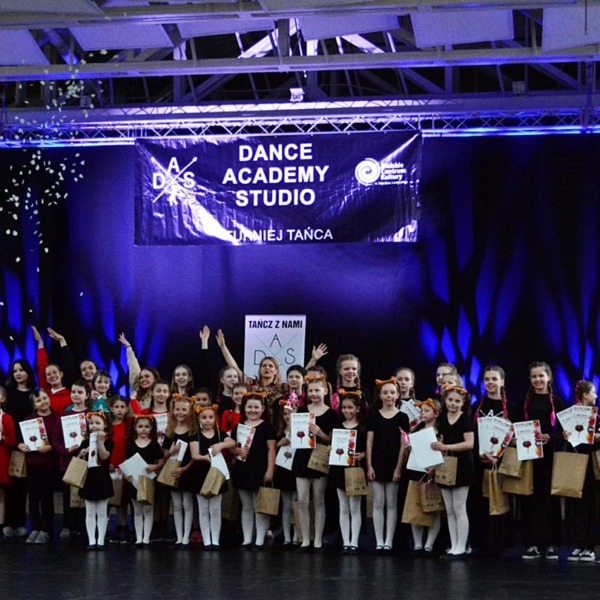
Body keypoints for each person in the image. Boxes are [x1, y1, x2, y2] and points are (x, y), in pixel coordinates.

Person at [519, 361, 565, 560]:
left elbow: (565, 431)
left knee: (549, 499)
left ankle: (551, 543)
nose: (537, 379)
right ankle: (533, 542)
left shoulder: (557, 401)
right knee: (531, 498)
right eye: (534, 376)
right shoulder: (526, 402)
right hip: (530, 455)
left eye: (541, 376)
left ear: (549, 377)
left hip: (550, 456)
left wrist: (550, 437)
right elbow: (518, 426)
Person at [470, 365, 517, 556]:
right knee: (480, 503)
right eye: (487, 379)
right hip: (480, 462)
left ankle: (500, 542)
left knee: (500, 502)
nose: (490, 382)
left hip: (502, 463)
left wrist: (501, 453)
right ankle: (481, 542)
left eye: (494, 379)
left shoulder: (511, 408)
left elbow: (516, 437)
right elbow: (471, 435)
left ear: (502, 381)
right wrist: (480, 454)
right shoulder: (476, 407)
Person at [292, 376, 337, 551]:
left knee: (319, 500)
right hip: (302, 457)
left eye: (317, 390)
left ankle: (317, 539)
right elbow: (295, 433)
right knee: (303, 500)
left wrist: (321, 434)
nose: (314, 394)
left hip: (319, 458)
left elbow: (332, 439)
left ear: (325, 391)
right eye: (310, 390)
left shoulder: (331, 414)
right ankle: (305, 539)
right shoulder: (302, 410)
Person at [227, 392, 276, 549]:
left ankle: (260, 539)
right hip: (243, 469)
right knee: (247, 506)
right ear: (244, 408)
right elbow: (232, 446)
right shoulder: (239, 426)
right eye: (249, 407)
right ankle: (247, 538)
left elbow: (271, 449)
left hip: (260, 469)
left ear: (262, 409)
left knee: (260, 506)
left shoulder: (267, 427)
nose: (252, 410)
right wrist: (237, 451)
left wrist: (270, 470)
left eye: (256, 407)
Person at [432, 385, 474, 560]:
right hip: (446, 464)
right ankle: (454, 544)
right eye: (450, 400)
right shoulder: (442, 418)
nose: (453, 404)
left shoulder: (465, 419)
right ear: (445, 400)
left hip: (462, 465)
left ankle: (462, 546)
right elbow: (440, 440)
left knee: (459, 507)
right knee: (449, 509)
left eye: (457, 401)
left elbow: (469, 443)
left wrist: (447, 447)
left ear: (463, 403)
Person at [366, 377, 408, 554]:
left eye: (392, 392)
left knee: (391, 504)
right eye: (385, 393)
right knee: (378, 503)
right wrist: (369, 466)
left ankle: (389, 541)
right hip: (377, 462)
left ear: (397, 395)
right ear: (380, 395)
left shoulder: (403, 417)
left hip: (393, 463)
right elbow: (369, 442)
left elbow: (403, 445)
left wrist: (398, 468)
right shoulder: (374, 415)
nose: (389, 396)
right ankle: (379, 541)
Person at [18, 388, 59, 544]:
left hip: (48, 465)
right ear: (34, 405)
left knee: (46, 498)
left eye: (44, 398)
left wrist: (50, 448)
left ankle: (46, 530)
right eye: (38, 400)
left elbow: (61, 441)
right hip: (32, 464)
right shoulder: (29, 420)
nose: (43, 402)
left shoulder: (56, 419)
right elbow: (21, 440)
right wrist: (20, 445)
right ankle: (35, 528)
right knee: (33, 498)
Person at [564, 380, 598, 562]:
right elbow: (564, 436)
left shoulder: (596, 416)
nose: (596, 396)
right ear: (585, 395)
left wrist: (594, 435)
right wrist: (565, 435)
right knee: (576, 505)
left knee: (590, 505)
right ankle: (579, 544)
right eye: (593, 392)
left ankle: (590, 547)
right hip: (575, 462)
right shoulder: (571, 415)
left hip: (591, 464)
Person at [4, 359, 36, 539]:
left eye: (21, 370)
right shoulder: (8, 393)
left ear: (28, 372)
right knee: (11, 486)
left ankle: (22, 523)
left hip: (30, 446)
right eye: (15, 371)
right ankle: (9, 523)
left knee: (24, 486)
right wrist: (15, 443)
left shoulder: (35, 393)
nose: (18, 373)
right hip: (11, 445)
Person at [331, 390, 367, 554]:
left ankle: (354, 542)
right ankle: (346, 541)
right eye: (344, 408)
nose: (346, 411)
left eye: (350, 407)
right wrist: (331, 451)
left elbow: (368, 448)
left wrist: (364, 455)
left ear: (358, 409)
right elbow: (335, 447)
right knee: (343, 507)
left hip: (355, 470)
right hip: (340, 469)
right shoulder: (338, 427)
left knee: (355, 507)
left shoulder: (363, 428)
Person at [190, 404, 229, 550]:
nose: (207, 420)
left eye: (211, 417)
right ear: (199, 419)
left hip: (217, 474)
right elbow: (195, 455)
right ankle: (207, 540)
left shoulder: (219, 434)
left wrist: (221, 445)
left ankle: (215, 539)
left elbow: (231, 442)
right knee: (203, 509)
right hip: (201, 474)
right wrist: (206, 458)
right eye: (204, 418)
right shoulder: (195, 436)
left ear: (215, 419)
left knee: (215, 508)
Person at [407, 399, 442, 556]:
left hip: (433, 474)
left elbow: (443, 454)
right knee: (416, 506)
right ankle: (417, 543)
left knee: (433, 508)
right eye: (421, 411)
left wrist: (434, 468)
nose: (422, 414)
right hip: (416, 471)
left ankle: (429, 544)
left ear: (436, 413)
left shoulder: (440, 433)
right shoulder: (415, 431)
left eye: (427, 411)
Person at [162, 396, 197, 547]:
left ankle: (186, 536)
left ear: (190, 411)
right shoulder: (170, 431)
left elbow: (195, 455)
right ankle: (179, 535)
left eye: (184, 409)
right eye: (177, 409)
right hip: (173, 470)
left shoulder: (193, 431)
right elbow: (164, 455)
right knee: (176, 505)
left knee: (187, 504)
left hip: (188, 471)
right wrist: (171, 451)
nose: (180, 412)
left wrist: (185, 469)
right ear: (173, 411)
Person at [125, 415, 164, 547]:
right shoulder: (131, 445)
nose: (143, 429)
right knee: (137, 511)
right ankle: (138, 538)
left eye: (146, 427)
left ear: (151, 428)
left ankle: (146, 538)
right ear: (135, 428)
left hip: (148, 480)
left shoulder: (154, 444)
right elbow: (126, 462)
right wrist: (127, 475)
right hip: (135, 481)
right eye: (140, 426)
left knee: (148, 509)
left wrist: (155, 467)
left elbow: (161, 461)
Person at [78, 411, 113, 550]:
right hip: (89, 479)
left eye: (98, 423)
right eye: (91, 423)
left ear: (105, 425)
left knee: (102, 511)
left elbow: (104, 456)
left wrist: (100, 442)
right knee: (90, 511)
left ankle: (101, 540)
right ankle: (92, 540)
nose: (94, 426)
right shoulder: (84, 442)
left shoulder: (109, 441)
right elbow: (80, 460)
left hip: (102, 479)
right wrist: (82, 452)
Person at [273, 398, 299, 548]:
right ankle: (287, 537)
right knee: (286, 505)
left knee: (296, 503)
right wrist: (279, 444)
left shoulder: (301, 432)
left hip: (296, 470)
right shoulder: (279, 432)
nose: (288, 417)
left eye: (291, 413)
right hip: (283, 470)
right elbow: (272, 449)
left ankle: (296, 536)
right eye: (285, 414)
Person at [107, 396, 132, 544]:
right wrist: (107, 463)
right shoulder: (108, 427)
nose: (120, 410)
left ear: (127, 409)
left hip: (125, 466)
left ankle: (123, 525)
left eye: (122, 407)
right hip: (110, 466)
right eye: (116, 407)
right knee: (109, 498)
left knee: (122, 498)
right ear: (111, 409)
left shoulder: (129, 426)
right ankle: (106, 527)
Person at [118, 332, 160, 412]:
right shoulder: (136, 390)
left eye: (147, 376)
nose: (143, 379)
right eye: (141, 377)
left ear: (155, 379)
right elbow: (133, 367)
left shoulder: (160, 395)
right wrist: (128, 347)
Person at [0, 386, 17, 539]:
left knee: (1, 494)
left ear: (3, 398)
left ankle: (1, 526)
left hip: (1, 456)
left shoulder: (6, 418)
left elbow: (13, 441)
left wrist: (3, 437)